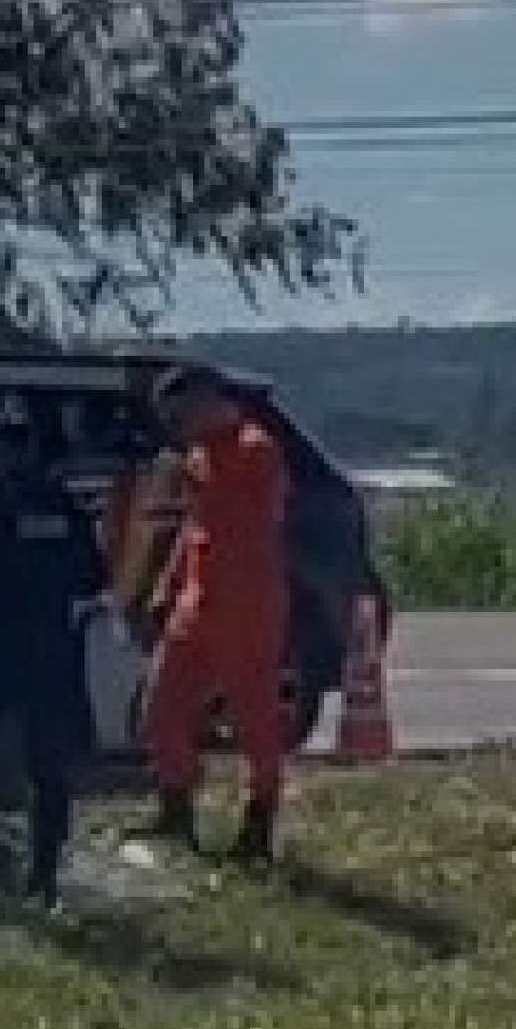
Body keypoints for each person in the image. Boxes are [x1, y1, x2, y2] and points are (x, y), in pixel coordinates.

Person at [0, 396, 104, 906]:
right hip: (51, 649)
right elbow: (93, 577)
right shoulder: (68, 513)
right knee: (47, 766)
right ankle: (44, 876)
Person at [138, 365, 291, 866]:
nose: (176, 427)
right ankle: (176, 804)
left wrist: (196, 478)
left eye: (180, 415)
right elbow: (194, 526)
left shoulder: (255, 449)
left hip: (246, 603)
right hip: (196, 600)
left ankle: (259, 819)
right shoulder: (198, 455)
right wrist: (167, 584)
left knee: (253, 717)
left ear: (205, 401)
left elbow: (259, 518)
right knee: (162, 705)